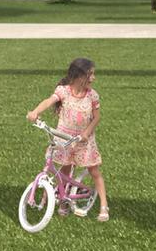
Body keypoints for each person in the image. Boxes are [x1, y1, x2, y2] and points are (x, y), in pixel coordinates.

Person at [26, 57, 110, 222]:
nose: (93, 78)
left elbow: (96, 118)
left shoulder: (92, 95)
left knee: (94, 171)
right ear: (79, 76)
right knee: (64, 171)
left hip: (83, 141)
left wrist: (86, 132)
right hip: (64, 139)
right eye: (90, 74)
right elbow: (49, 101)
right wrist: (35, 112)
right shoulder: (64, 91)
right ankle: (64, 200)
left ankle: (104, 205)